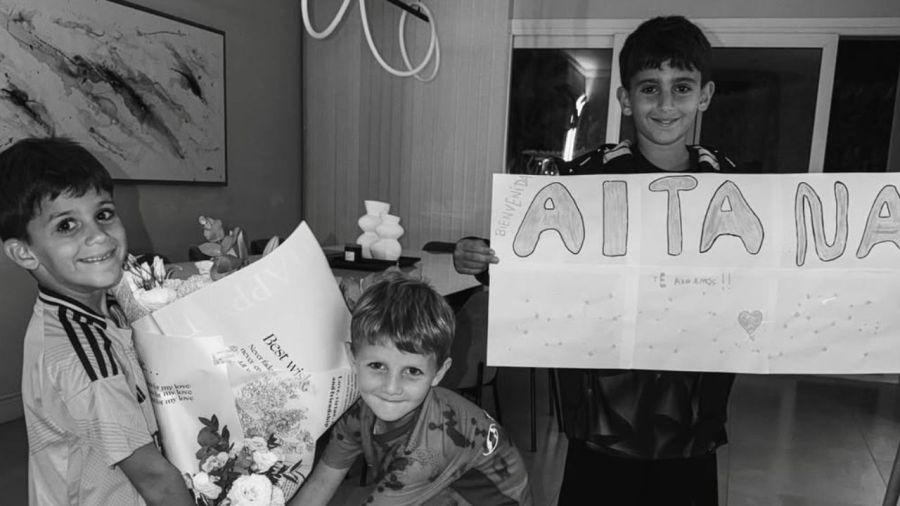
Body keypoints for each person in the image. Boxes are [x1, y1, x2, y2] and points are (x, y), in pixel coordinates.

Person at [453, 16, 737, 506]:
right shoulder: (583, 178)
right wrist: (482, 259)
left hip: (691, 421)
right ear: (626, 99)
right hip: (603, 419)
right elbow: (533, 262)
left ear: (704, 95)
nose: (666, 105)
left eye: (682, 87)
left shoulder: (729, 185)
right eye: (650, 88)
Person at [0, 138, 194, 505]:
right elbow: (155, 479)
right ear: (23, 252)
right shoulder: (85, 358)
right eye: (67, 225)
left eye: (103, 214)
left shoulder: (97, 307)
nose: (99, 236)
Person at [291, 272, 532, 505]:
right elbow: (321, 483)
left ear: (438, 373)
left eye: (412, 371)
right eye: (377, 366)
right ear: (353, 359)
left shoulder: (428, 452)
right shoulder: (358, 415)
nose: (391, 388)